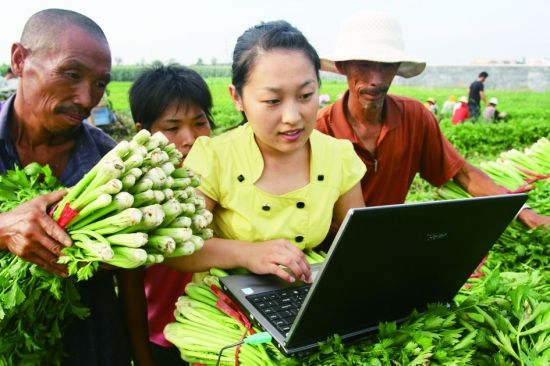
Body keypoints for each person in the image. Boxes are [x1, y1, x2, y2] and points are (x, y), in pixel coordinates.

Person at [165, 20, 366, 285]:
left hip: (303, 292)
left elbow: (359, 243)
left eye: (306, 95)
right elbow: (176, 249)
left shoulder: (337, 156)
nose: (292, 117)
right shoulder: (214, 157)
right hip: (227, 304)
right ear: (237, 97)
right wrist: (248, 254)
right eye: (272, 101)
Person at [316, 11, 550, 229]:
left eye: (386, 66)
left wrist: (519, 208)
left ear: (397, 68)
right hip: (323, 251)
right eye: (364, 65)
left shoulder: (414, 118)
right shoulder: (319, 129)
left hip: (386, 240)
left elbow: (462, 173)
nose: (376, 79)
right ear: (342, 66)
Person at [0, 9, 131, 365]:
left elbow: (133, 277)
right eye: (71, 74)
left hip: (93, 348)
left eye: (100, 84)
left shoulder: (111, 162)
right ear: (19, 60)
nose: (87, 100)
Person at [120, 64, 215, 366]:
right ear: (143, 133)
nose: (191, 138)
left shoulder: (225, 176)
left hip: (221, 334)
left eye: (200, 122)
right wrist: (142, 357)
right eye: (172, 128)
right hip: (163, 337)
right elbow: (130, 286)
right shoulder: (136, 198)